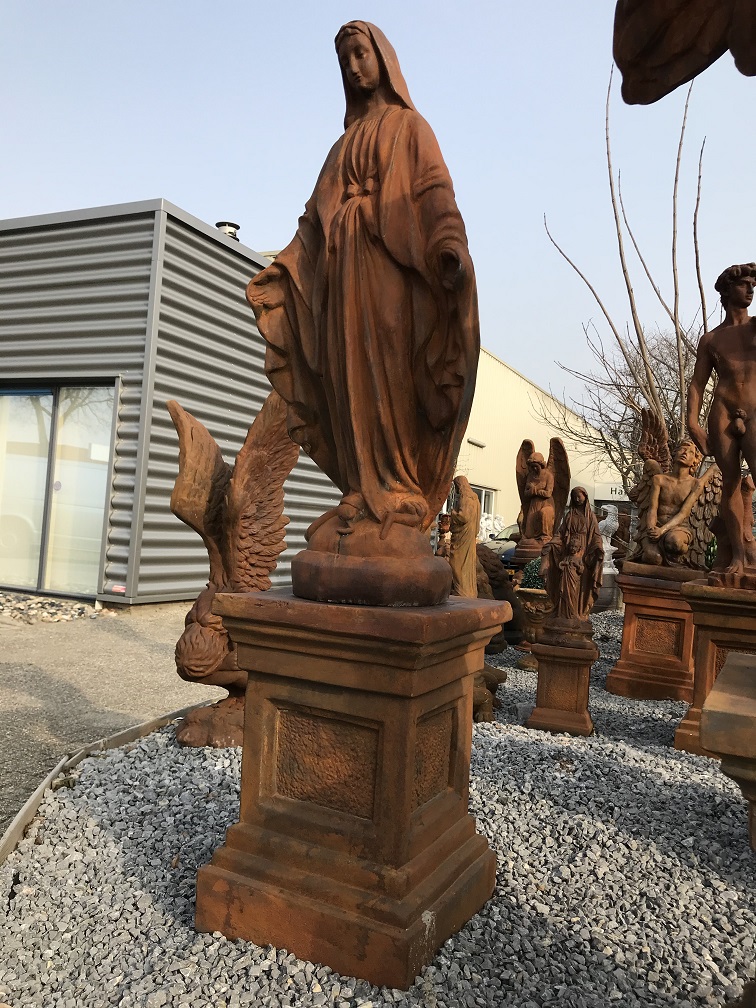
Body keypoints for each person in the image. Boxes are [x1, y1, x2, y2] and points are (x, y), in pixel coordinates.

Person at [246, 22, 478, 578]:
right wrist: (282, 270)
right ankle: (360, 487)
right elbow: (312, 224)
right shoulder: (341, 147)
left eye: (360, 53)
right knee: (347, 379)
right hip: (342, 284)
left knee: (389, 376)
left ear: (383, 59)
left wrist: (449, 244)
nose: (353, 66)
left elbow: (435, 194)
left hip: (388, 274)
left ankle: (397, 488)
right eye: (344, 59)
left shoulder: (410, 127)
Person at [687, 263, 756, 574]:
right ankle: (738, 556)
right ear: (727, 291)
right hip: (723, 411)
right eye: (744, 284)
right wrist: (693, 424)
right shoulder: (711, 339)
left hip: (754, 410)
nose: (751, 289)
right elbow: (697, 384)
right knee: (730, 483)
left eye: (753, 284)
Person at [541, 487, 603, 623]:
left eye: (579, 496)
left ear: (585, 496)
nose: (577, 499)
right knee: (564, 581)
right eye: (574, 496)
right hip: (570, 549)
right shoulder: (569, 515)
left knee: (581, 582)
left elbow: (596, 535)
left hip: (585, 551)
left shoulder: (590, 516)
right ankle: (563, 612)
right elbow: (561, 533)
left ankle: (579, 613)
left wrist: (598, 548)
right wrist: (552, 543)